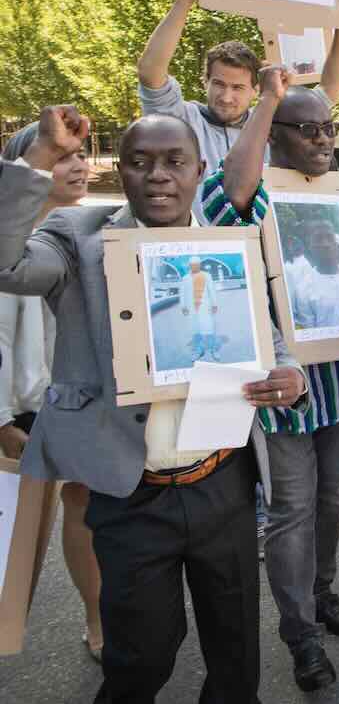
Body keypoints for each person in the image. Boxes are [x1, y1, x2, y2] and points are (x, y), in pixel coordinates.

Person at [0, 105, 307, 702]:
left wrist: (288, 374)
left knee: (237, 654)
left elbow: (269, 340)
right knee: (140, 658)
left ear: (199, 172)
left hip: (223, 484)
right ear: (123, 171)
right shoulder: (77, 239)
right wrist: (39, 154)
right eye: (139, 163)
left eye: (175, 162)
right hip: (130, 494)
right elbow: (5, 263)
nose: (158, 175)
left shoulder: (229, 247)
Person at [212, 68, 339, 691]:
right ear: (273, 133)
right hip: (283, 381)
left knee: (331, 498)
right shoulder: (254, 192)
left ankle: (323, 591)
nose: (324, 139)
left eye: (330, 128)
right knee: (291, 509)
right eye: (309, 129)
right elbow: (231, 191)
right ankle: (301, 634)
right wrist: (270, 95)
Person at [0, 124, 103, 662]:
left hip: (83, 396)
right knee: (23, 532)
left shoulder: (95, 228)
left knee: (83, 499)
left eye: (81, 155)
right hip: (28, 407)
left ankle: (100, 614)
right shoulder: (9, 244)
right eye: (61, 157)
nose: (78, 165)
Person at [137, 0, 339, 171]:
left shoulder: (271, 124)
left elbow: (329, 90)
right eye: (218, 84)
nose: (226, 97)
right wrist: (184, 0)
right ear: (205, 81)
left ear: (255, 90)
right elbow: (150, 72)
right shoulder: (181, 121)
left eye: (238, 88)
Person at [291, 220, 339, 331]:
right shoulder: (303, 290)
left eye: (330, 238)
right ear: (310, 246)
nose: (325, 244)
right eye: (318, 239)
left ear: (336, 244)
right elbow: (309, 335)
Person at [179, 256, 220, 361]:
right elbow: (182, 293)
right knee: (195, 331)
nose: (194, 267)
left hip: (205, 307)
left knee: (209, 330)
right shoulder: (185, 278)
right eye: (192, 265)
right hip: (192, 309)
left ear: (199, 265)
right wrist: (183, 306)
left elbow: (212, 290)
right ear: (189, 266)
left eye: (196, 265)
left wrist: (214, 304)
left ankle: (213, 350)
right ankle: (198, 351)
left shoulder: (207, 276)